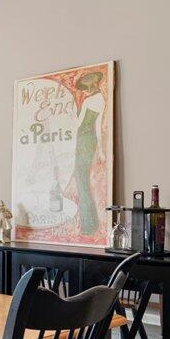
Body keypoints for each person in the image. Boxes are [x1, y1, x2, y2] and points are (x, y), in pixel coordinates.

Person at [72, 71, 105, 236]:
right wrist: (101, 151)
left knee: (81, 181)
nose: (83, 92)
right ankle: (92, 224)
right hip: (91, 141)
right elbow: (98, 128)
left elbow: (78, 125)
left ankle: (87, 225)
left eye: (84, 89)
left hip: (82, 140)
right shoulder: (102, 100)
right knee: (83, 180)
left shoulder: (87, 101)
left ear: (90, 88)